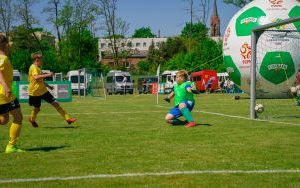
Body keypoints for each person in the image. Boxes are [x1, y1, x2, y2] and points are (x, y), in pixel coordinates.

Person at [28, 52, 76, 128]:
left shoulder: (38, 68)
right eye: (41, 60)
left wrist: (48, 86)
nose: (42, 61)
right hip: (35, 92)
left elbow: (40, 80)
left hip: (43, 91)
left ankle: (68, 119)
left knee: (56, 103)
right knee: (37, 109)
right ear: (37, 59)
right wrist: (48, 74)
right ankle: (32, 120)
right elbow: (36, 77)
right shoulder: (33, 67)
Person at [0, 35, 24, 153]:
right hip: (4, 94)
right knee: (18, 117)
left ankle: (11, 146)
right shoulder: (2, 58)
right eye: (8, 44)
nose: (10, 46)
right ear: (4, 45)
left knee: (4, 120)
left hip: (4, 94)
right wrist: (5, 86)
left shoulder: (4, 57)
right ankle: (11, 146)